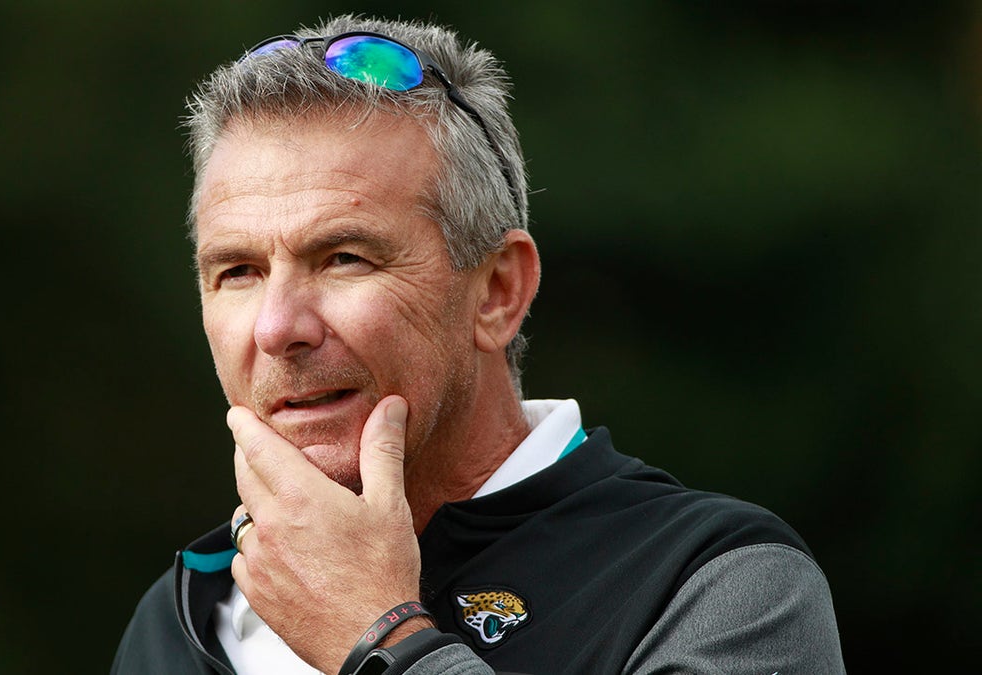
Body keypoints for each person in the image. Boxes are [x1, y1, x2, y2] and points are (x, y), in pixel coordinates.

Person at [111, 14, 845, 675]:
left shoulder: (717, 583)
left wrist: (383, 638)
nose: (277, 327)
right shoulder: (181, 618)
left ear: (497, 292)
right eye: (237, 271)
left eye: (344, 258)